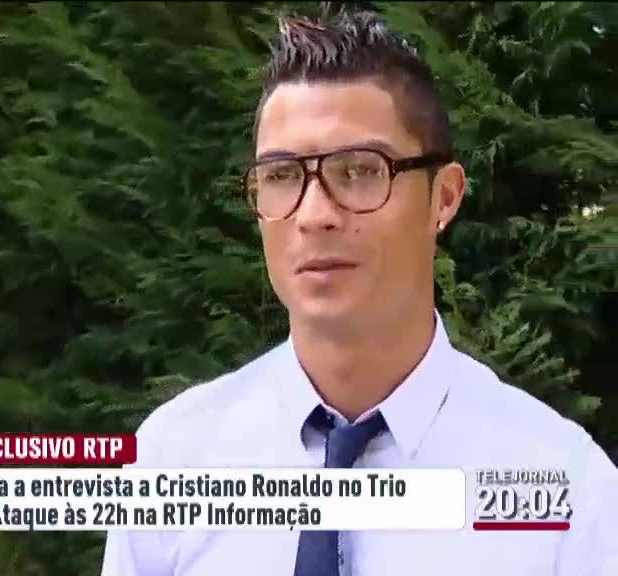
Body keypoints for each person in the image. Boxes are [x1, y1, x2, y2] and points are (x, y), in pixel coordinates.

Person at [101, 10, 617, 576]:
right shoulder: (173, 459)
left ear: (444, 197)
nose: (314, 215)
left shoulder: (568, 494)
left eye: (359, 171)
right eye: (281, 176)